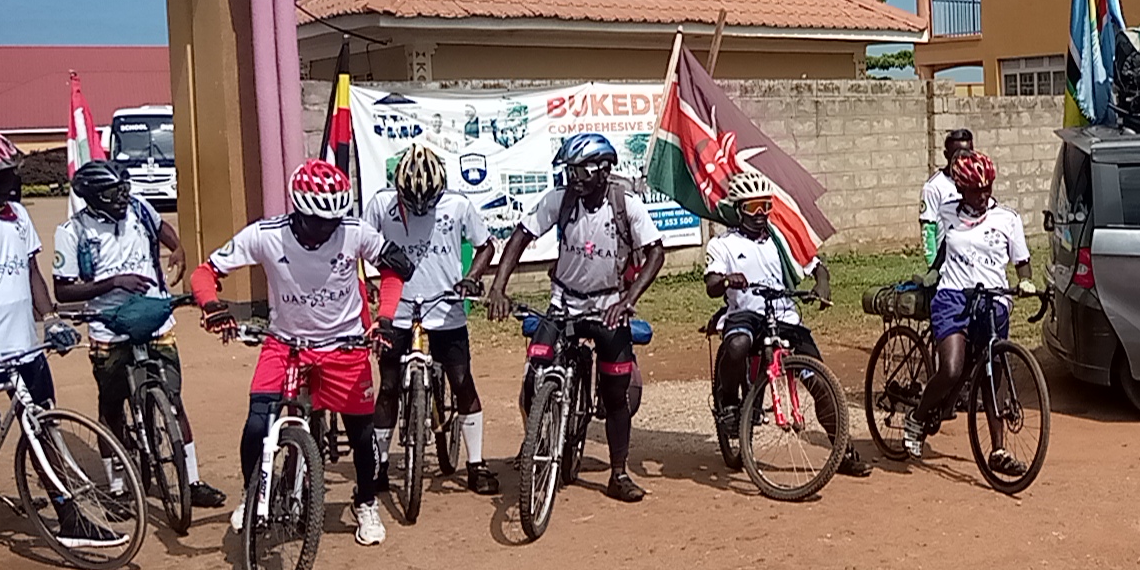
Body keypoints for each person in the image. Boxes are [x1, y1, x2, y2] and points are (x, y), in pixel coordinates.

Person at [191, 159, 415, 547]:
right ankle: (252, 492)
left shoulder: (354, 232)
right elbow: (204, 273)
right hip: (286, 345)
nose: (327, 230)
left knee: (361, 436)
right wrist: (212, 305)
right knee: (258, 425)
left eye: (334, 221)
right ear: (298, 211)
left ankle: (365, 502)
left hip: (345, 345)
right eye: (318, 222)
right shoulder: (265, 235)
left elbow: (396, 270)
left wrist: (386, 317)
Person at [484, 133, 663, 504]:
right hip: (563, 301)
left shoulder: (625, 204)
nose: (574, 178)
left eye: (580, 171)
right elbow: (520, 236)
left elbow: (655, 254)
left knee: (616, 394)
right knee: (535, 375)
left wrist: (629, 299)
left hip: (608, 305)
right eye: (570, 171)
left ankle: (618, 473)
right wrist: (498, 287)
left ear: (603, 170)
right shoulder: (561, 200)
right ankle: (538, 439)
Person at [53, 160, 225, 508]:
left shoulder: (138, 209)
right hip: (108, 327)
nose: (122, 198)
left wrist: (177, 248)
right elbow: (63, 291)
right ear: (91, 197)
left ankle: (190, 480)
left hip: (156, 318)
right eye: (112, 193)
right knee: (112, 406)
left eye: (124, 190)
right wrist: (114, 282)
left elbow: (164, 230)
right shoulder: (71, 233)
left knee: (173, 402)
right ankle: (118, 485)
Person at [704, 170, 872, 478]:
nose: (760, 214)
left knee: (821, 384)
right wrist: (728, 279)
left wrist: (822, 285)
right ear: (738, 209)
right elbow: (712, 283)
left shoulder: (782, 241)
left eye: (765, 206)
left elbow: (818, 267)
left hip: (784, 317)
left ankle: (842, 450)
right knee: (738, 344)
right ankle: (729, 403)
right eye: (752, 207)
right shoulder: (723, 244)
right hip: (747, 314)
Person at [364, 145, 499, 495]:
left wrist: (471, 276)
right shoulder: (381, 204)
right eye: (412, 200)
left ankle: (476, 463)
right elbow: (358, 243)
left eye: (428, 200)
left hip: (446, 308)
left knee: (461, 381)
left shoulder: (458, 205)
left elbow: (486, 246)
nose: (420, 207)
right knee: (389, 386)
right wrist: (366, 282)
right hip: (396, 310)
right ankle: (378, 465)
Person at [0, 136, 106, 545]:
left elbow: (33, 273)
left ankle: (69, 514)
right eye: (1, 177)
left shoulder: (19, 216)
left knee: (44, 428)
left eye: (11, 175)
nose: (10, 184)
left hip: (24, 349)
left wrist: (52, 318)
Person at [905, 151, 1037, 473]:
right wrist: (932, 272)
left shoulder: (1008, 219)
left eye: (987, 188)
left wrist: (1026, 282)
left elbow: (1022, 263)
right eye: (976, 189)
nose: (983, 195)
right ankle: (917, 417)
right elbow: (940, 251)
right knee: (952, 368)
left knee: (991, 372)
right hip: (953, 297)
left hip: (993, 301)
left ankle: (999, 450)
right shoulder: (947, 212)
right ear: (961, 189)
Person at [920, 128, 974, 265]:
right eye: (958, 155)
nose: (963, 159)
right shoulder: (934, 187)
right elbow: (928, 229)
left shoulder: (977, 183)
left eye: (968, 154)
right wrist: (933, 269)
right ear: (946, 155)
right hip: (947, 266)